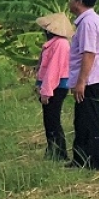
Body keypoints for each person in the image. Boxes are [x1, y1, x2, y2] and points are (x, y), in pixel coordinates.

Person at [67, 0, 99, 170]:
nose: (69, 1)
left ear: (79, 2)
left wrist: (81, 81)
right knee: (82, 120)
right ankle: (80, 159)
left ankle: (92, 162)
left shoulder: (87, 23)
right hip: (93, 76)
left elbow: (89, 53)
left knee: (90, 121)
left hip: (91, 78)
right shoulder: (95, 20)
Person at [34, 12, 73, 161]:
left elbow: (53, 70)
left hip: (56, 86)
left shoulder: (60, 44)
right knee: (49, 120)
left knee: (53, 120)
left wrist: (46, 91)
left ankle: (59, 153)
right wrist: (40, 84)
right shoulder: (54, 44)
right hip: (53, 85)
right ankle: (53, 150)